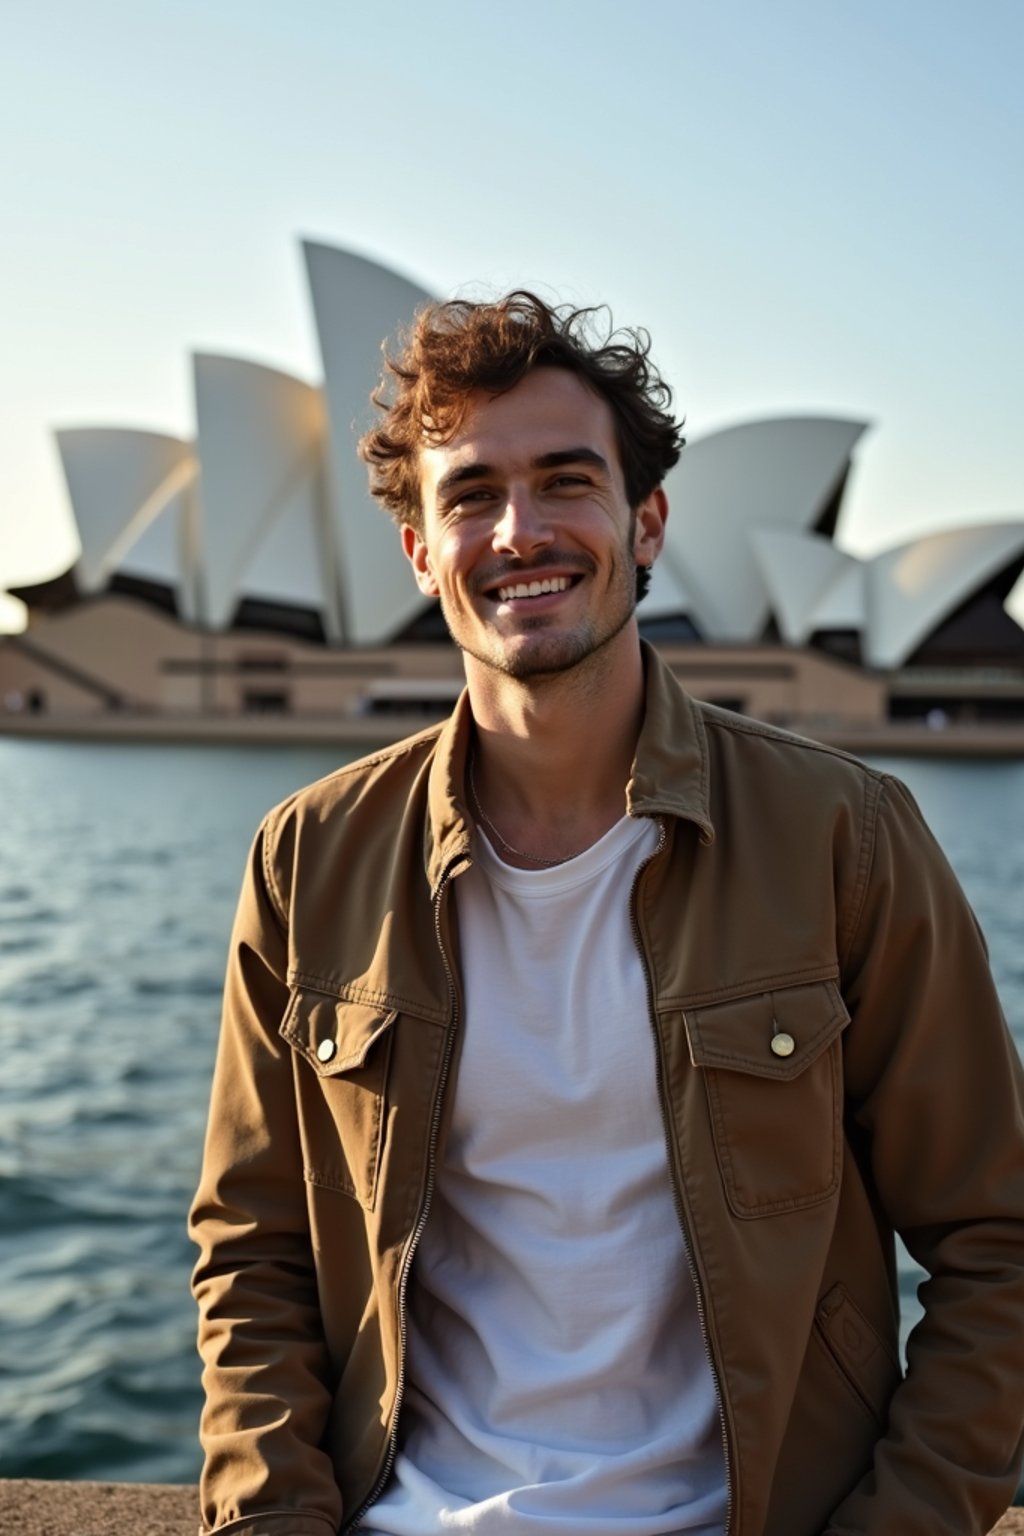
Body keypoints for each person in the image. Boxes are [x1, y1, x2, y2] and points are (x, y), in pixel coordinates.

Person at [189, 293, 1024, 1536]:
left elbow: (999, 1247)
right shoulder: (310, 859)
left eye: (565, 482)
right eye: (469, 494)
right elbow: (251, 1261)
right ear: (418, 551)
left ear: (646, 523)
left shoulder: (842, 837)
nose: (519, 531)